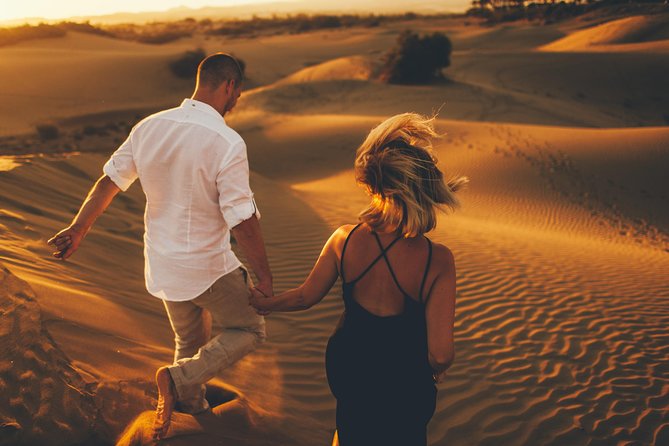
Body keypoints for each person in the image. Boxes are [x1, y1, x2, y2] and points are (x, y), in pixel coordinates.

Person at [47, 53, 272, 440]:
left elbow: (110, 182)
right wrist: (265, 277)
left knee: (189, 339)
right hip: (208, 268)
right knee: (250, 329)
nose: (235, 101)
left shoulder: (150, 126)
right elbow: (242, 218)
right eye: (237, 93)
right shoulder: (226, 141)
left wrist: (79, 228)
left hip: (164, 263)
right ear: (229, 87)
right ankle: (178, 378)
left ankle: (190, 406)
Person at [250, 112, 465, 446]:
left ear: (375, 185)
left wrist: (265, 303)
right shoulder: (437, 260)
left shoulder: (344, 239)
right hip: (404, 382)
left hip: (350, 368)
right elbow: (440, 353)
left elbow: (305, 297)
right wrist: (436, 370)